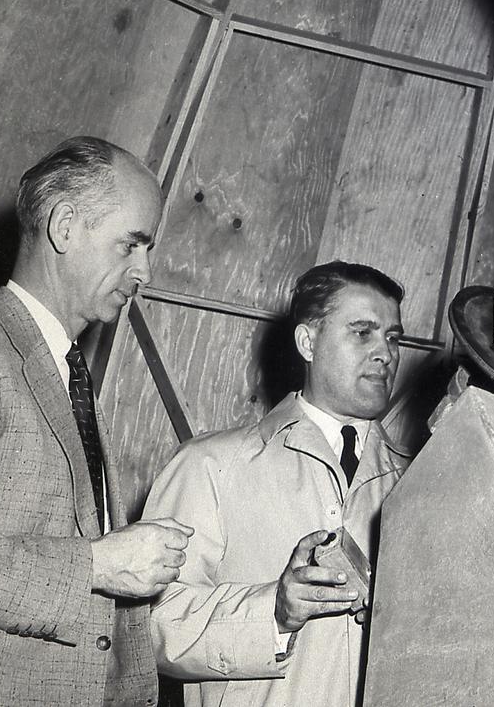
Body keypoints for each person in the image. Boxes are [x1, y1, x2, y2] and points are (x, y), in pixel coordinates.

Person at [0, 136, 194, 707]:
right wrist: (98, 563)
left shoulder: (69, 374)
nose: (144, 271)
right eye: (132, 244)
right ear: (65, 226)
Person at [144, 260, 413, 706]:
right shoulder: (209, 465)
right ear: (308, 342)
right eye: (362, 332)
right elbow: (152, 626)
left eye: (392, 337)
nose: (385, 353)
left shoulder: (419, 483)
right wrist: (274, 612)